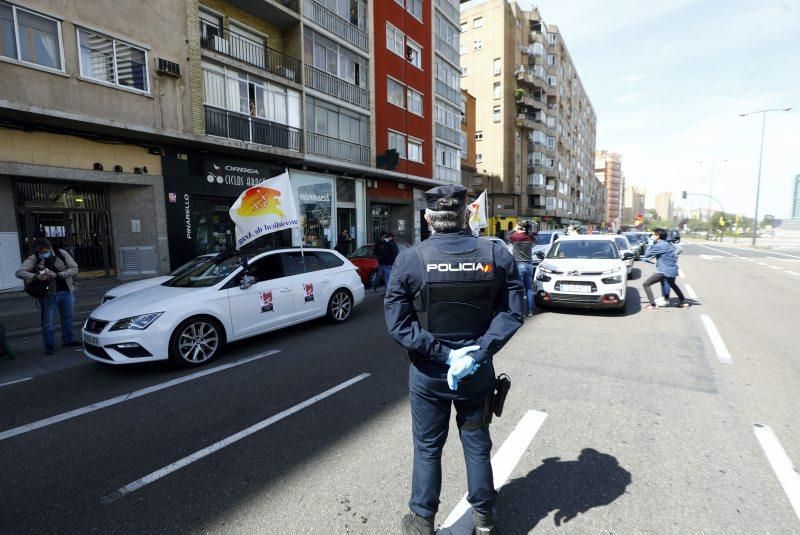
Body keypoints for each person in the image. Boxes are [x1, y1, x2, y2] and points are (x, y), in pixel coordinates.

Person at [384, 184, 524, 535]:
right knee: (477, 444)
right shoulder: (495, 254)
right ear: (465, 215)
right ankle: (485, 519)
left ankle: (421, 521)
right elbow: (513, 312)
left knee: (428, 448)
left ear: (428, 218)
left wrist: (443, 354)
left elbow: (399, 325)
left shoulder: (410, 259)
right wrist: (478, 353)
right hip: (475, 374)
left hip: (429, 374)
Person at [16, 238, 80, 355]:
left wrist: (59, 274)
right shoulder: (34, 258)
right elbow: (19, 272)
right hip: (48, 294)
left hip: (66, 292)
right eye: (41, 252)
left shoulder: (61, 253)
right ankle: (49, 345)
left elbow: (75, 268)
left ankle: (68, 340)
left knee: (67, 318)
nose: (43, 254)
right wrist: (36, 276)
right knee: (48, 322)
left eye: (45, 251)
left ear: (50, 248)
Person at [642, 229, 689, 310]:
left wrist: (650, 244)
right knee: (673, 285)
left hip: (663, 271)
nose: (653, 236)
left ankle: (653, 304)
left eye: (654, 235)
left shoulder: (659, 245)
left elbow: (647, 254)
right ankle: (683, 302)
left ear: (657, 236)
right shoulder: (667, 244)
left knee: (646, 284)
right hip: (672, 269)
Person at [508, 221, 536, 317]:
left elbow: (508, 236)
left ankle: (522, 312)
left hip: (519, 265)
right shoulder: (530, 237)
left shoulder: (515, 237)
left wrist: (514, 230)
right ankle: (530, 311)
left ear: (519, 227)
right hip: (529, 265)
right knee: (529, 288)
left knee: (520, 289)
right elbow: (534, 240)